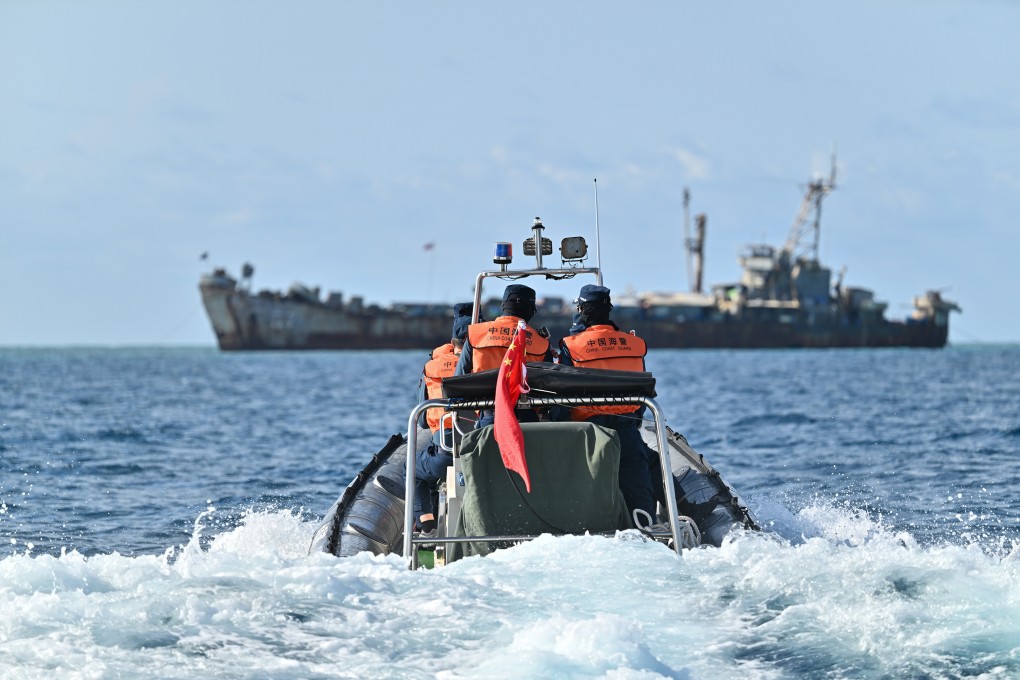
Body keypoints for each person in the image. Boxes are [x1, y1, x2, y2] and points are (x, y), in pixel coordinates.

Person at [558, 284, 661, 520]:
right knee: (638, 484)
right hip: (627, 429)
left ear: (582, 310)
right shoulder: (635, 344)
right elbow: (641, 389)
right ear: (609, 310)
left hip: (589, 433)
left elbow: (561, 395)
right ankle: (645, 527)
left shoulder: (571, 346)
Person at [413, 304, 473, 538]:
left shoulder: (432, 366)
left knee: (415, 470)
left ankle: (426, 525)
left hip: (448, 449)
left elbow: (423, 422)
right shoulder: (489, 365)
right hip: (485, 446)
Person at [455, 284, 553, 427]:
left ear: (503, 306)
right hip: (527, 423)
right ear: (531, 310)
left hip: (489, 420)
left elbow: (459, 379)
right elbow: (549, 390)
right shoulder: (542, 343)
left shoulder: (476, 333)